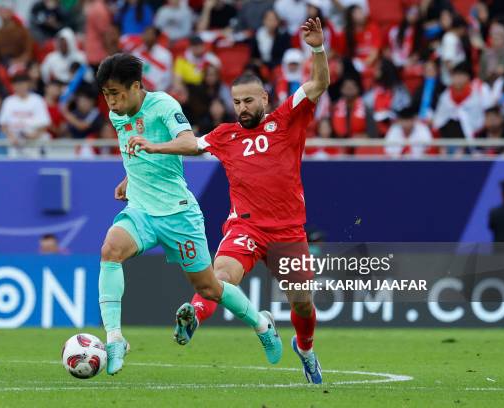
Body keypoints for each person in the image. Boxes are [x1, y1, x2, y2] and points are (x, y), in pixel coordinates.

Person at [128, 17, 329, 384]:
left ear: (265, 99)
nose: (242, 108)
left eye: (249, 101)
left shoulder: (287, 118)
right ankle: (193, 316)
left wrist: (316, 48)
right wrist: (152, 150)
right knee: (219, 275)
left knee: (302, 303)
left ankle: (306, 349)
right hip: (246, 226)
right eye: (237, 102)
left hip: (287, 230)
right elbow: (189, 144)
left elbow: (318, 83)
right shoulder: (225, 135)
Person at [96, 53, 281, 376]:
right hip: (141, 209)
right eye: (106, 94)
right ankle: (114, 339)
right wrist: (130, 176)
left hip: (178, 214)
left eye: (116, 93)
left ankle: (262, 323)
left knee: (209, 287)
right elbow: (136, 153)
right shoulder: (117, 115)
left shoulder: (164, 105)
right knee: (111, 250)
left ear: (136, 87)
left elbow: (189, 143)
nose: (110, 101)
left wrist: (155, 147)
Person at [0, 73, 51, 157]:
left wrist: (34, 135)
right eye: (17, 84)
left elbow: (45, 123)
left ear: (28, 84)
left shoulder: (37, 100)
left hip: (34, 142)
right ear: (13, 86)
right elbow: (3, 124)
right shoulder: (8, 101)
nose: (20, 87)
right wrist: (11, 136)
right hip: (15, 142)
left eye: (23, 84)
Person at [132, 26, 173, 92]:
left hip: (157, 93)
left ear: (156, 37)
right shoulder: (137, 52)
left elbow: (167, 78)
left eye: (149, 34)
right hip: (139, 91)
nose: (146, 36)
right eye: (145, 33)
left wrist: (156, 92)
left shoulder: (165, 54)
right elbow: (132, 73)